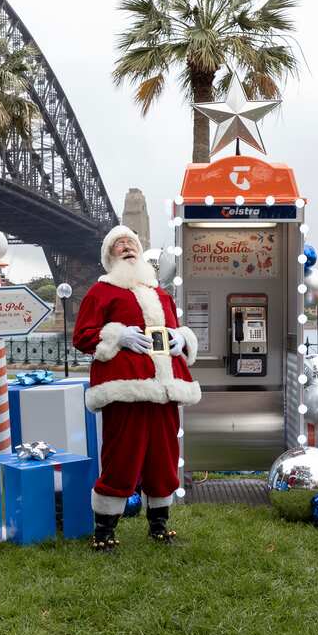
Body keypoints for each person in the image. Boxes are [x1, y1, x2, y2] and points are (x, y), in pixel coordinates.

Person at [72, 225, 200, 549]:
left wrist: (181, 337)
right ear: (109, 256)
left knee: (164, 456)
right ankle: (104, 531)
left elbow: (174, 329)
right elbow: (83, 336)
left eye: (131, 242)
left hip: (166, 388)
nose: (127, 247)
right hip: (125, 389)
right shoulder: (100, 292)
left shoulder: (161, 294)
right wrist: (116, 334)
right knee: (121, 455)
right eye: (119, 244)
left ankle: (159, 525)